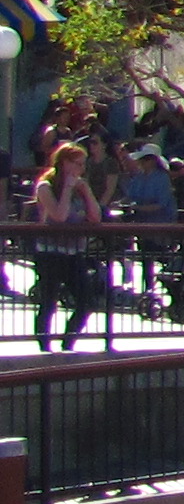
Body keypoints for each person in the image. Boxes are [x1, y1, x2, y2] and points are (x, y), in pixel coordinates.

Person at [27, 141, 107, 352]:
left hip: (75, 251)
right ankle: (44, 346)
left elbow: (96, 218)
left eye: (83, 165)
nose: (81, 169)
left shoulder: (81, 187)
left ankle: (68, 342)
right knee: (49, 301)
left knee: (86, 301)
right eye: (77, 164)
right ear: (64, 163)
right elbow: (59, 216)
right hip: (50, 252)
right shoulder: (45, 186)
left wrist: (86, 191)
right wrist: (67, 189)